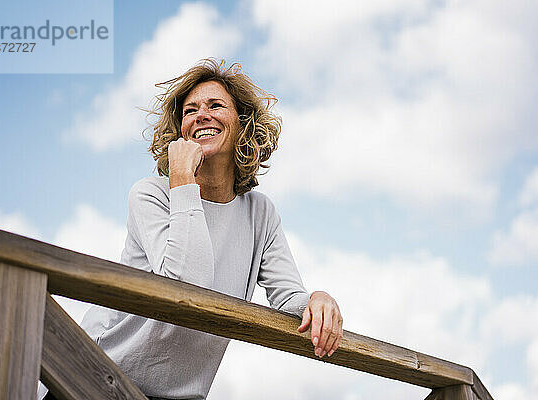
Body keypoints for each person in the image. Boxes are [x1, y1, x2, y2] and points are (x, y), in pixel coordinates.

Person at [80, 59, 343, 400]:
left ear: (242, 124)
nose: (201, 115)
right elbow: (186, 287)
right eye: (190, 111)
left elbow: (288, 298)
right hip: (94, 375)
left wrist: (317, 299)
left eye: (215, 105)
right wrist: (183, 181)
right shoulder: (151, 194)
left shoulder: (259, 213)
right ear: (181, 132)